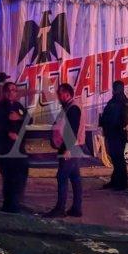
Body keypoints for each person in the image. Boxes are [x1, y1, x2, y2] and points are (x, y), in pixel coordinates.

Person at [45, 83, 85, 218]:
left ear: (67, 94)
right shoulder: (69, 107)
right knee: (75, 178)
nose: (58, 97)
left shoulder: (73, 108)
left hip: (70, 148)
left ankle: (60, 209)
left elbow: (72, 129)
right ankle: (76, 208)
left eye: (59, 94)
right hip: (73, 147)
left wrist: (67, 149)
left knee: (62, 177)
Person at [0, 82, 29, 213]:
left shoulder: (18, 106)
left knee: (20, 175)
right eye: (8, 90)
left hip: (19, 148)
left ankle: (16, 202)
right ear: (4, 93)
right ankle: (10, 204)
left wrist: (19, 117)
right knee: (10, 177)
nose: (11, 93)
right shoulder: (0, 108)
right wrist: (8, 132)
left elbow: (29, 119)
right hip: (6, 149)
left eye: (14, 90)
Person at [99, 80, 128, 190]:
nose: (115, 90)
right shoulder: (114, 100)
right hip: (112, 133)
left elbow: (125, 119)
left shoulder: (123, 101)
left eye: (116, 87)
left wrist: (114, 127)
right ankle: (116, 181)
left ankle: (122, 183)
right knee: (115, 159)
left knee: (118, 159)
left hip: (117, 134)